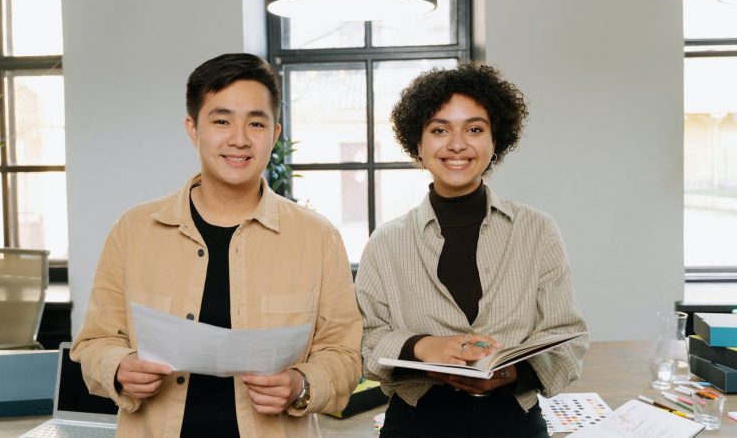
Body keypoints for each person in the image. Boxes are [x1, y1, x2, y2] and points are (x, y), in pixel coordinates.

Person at [70, 53, 362, 438]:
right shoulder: (134, 230)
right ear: (193, 129)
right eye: (221, 120)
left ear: (274, 134)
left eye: (255, 123)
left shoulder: (317, 238)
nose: (239, 139)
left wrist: (300, 384)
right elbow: (94, 342)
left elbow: (343, 355)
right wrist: (118, 367)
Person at [355, 62, 589, 437]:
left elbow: (566, 338)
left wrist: (510, 373)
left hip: (514, 425)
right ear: (418, 143)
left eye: (475, 129)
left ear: (495, 141)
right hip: (414, 426)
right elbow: (365, 342)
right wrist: (423, 348)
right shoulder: (386, 242)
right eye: (439, 129)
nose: (457, 144)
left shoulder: (537, 230)